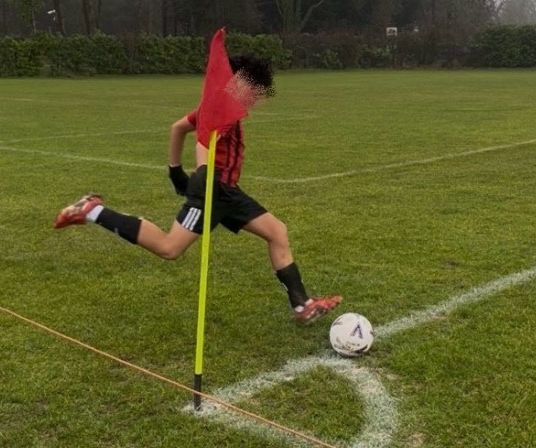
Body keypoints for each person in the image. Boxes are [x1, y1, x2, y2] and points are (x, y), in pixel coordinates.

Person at [53, 54, 341, 324]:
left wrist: (175, 170)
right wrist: (201, 173)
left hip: (229, 192)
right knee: (169, 248)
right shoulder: (221, 109)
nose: (257, 96)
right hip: (211, 191)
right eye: (254, 88)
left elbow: (177, 128)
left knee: (277, 231)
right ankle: (92, 210)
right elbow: (204, 141)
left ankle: (302, 305)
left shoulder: (223, 106)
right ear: (238, 82)